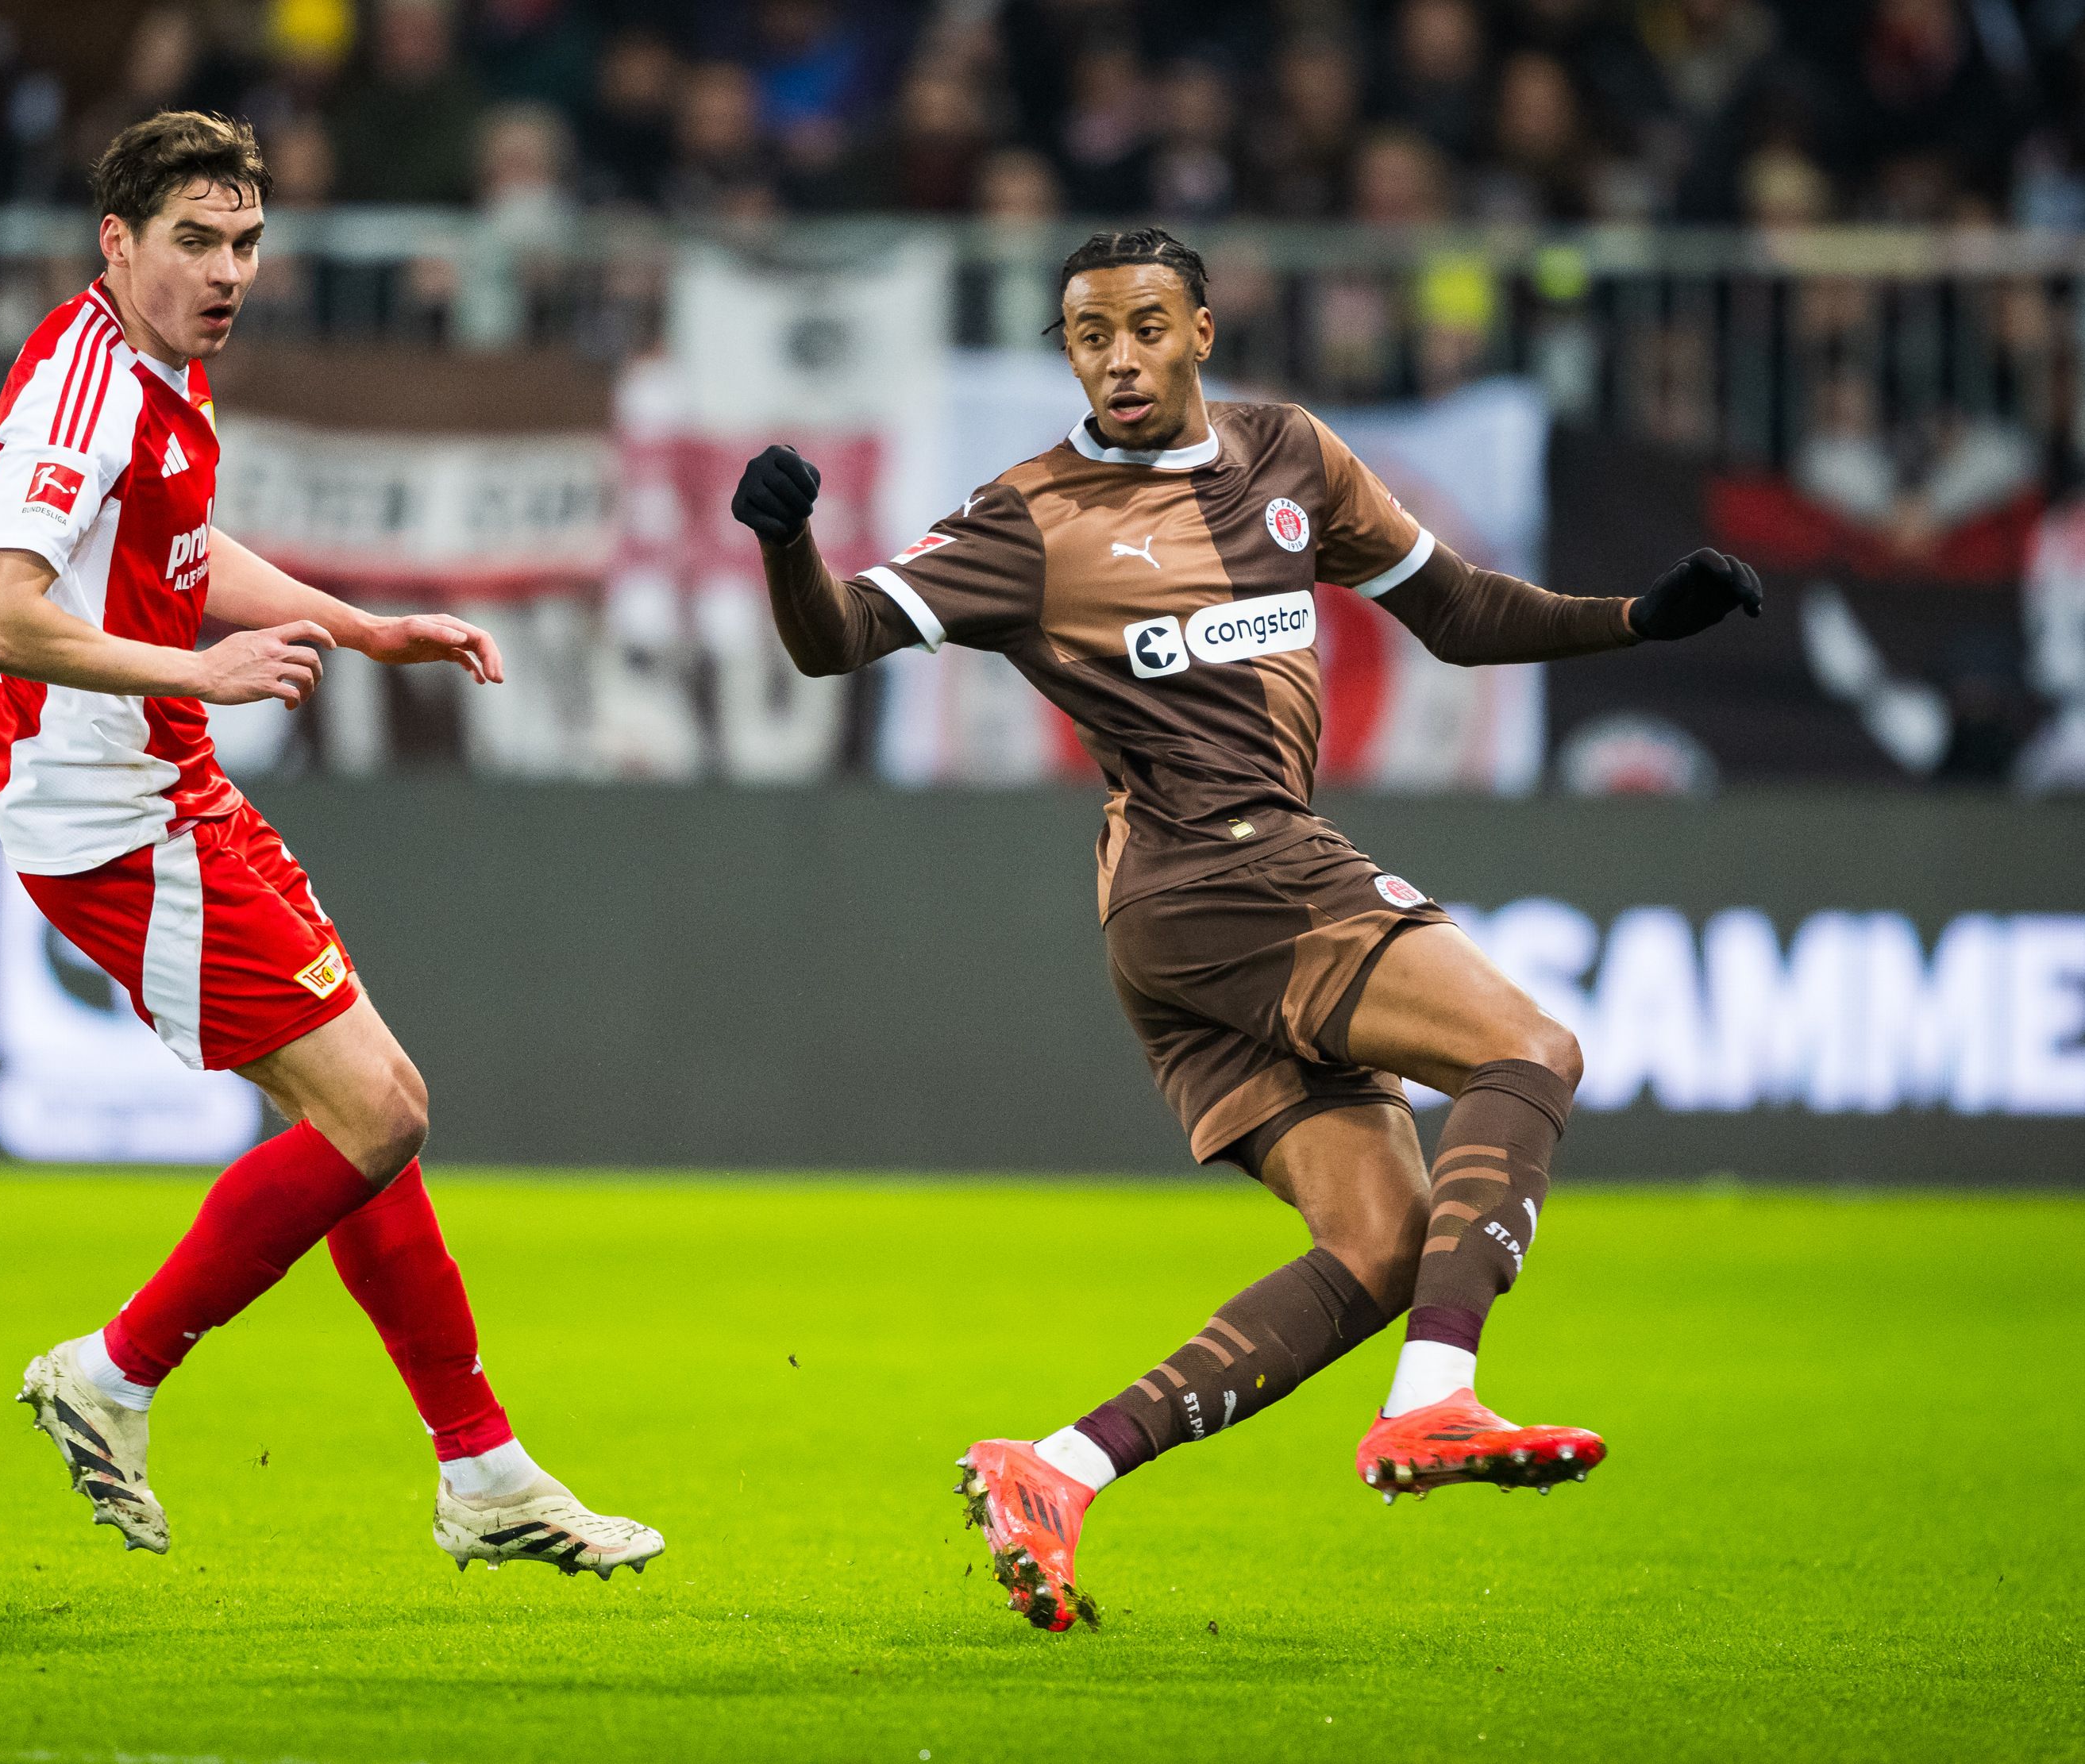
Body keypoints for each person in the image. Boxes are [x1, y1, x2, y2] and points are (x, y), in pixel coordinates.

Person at [731, 227, 1760, 1631]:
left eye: (1147, 327)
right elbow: (834, 637)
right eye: (1090, 336)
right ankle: (1437, 1398)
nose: (1120, 358)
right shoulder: (1030, 515)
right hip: (1228, 873)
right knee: (1529, 1048)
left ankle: (1059, 1468)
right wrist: (789, 543)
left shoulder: (1289, 456)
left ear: (1201, 331)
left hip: (1184, 916)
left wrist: (1637, 618)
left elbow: (1458, 613)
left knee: (1383, 1243)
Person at [0, 110, 661, 1577]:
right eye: (195, 241)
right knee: (378, 1113)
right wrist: (202, 673)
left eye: (247, 242)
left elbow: (178, 553)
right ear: (116, 242)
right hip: (115, 819)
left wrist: (357, 623)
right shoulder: (83, 390)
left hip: (174, 785)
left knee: (372, 1119)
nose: (228, 271)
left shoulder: (165, 374)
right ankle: (114, 1370)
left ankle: (484, 1471)